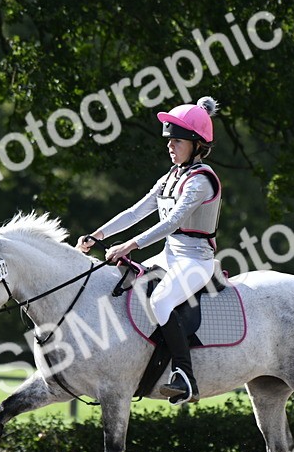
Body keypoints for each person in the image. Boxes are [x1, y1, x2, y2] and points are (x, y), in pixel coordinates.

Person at [80, 96, 222, 404]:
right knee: (122, 281)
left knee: (159, 300)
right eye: (168, 139)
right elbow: (135, 212)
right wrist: (98, 234)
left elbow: (171, 222)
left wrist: (129, 245)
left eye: (177, 140)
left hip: (196, 261)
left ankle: (185, 377)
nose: (169, 145)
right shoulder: (172, 177)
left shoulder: (202, 181)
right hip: (170, 255)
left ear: (197, 143)